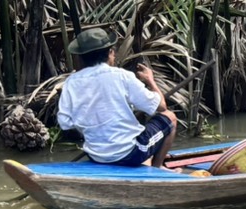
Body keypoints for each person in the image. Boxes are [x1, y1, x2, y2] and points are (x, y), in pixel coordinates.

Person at [56, 28, 177, 168]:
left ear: (81, 58)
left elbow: (65, 123)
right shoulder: (122, 76)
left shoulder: (71, 82)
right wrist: (150, 80)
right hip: (130, 153)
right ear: (110, 52)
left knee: (140, 132)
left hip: (96, 155)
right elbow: (161, 106)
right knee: (170, 117)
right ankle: (157, 169)